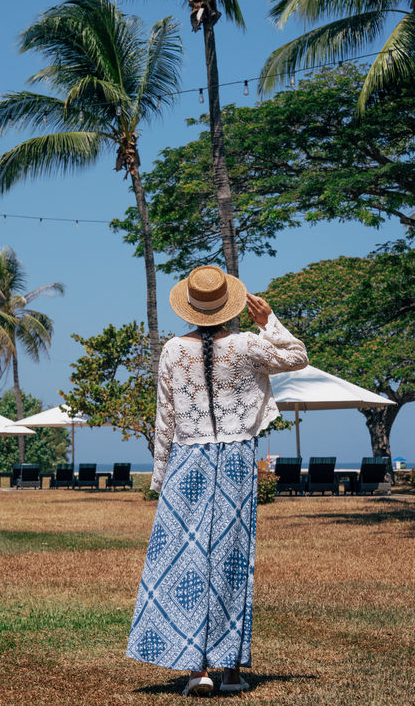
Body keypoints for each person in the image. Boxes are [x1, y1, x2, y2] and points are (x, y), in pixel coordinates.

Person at [126, 264, 308, 696]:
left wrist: (160, 477)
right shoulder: (248, 344)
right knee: (231, 558)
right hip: (236, 461)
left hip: (187, 461)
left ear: (190, 308)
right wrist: (269, 322)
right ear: (230, 305)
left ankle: (195, 670)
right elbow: (297, 356)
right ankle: (228, 670)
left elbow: (165, 417)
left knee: (185, 562)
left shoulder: (172, 350)